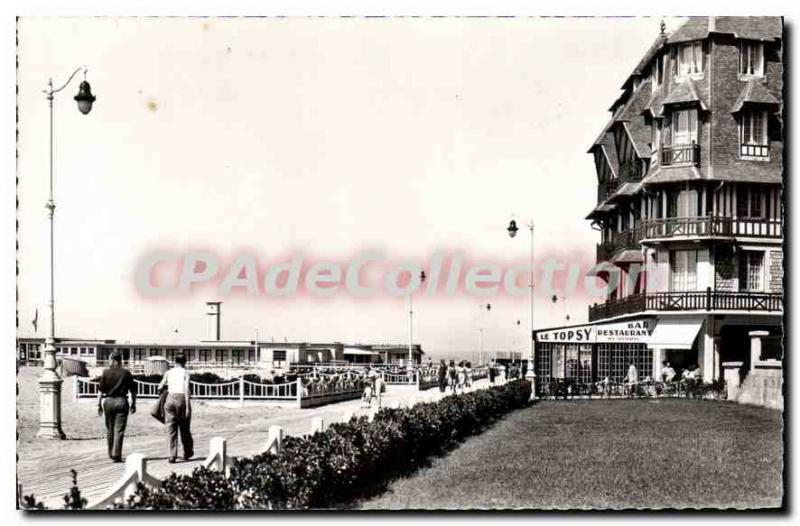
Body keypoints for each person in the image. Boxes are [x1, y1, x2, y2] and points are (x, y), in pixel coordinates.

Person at [97, 353, 136, 463]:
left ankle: (111, 453)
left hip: (108, 401)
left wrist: (98, 404)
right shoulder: (126, 373)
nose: (108, 361)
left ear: (113, 360)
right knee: (119, 430)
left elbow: (100, 390)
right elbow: (133, 391)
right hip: (121, 401)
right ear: (120, 361)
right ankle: (116, 454)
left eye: (109, 359)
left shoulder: (106, 372)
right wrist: (133, 404)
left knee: (110, 429)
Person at [158, 354, 194, 463]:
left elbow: (159, 387)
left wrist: (164, 394)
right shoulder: (186, 373)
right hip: (182, 399)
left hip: (170, 399)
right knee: (184, 428)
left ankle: (172, 455)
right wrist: (187, 407)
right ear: (185, 362)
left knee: (171, 429)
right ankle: (187, 452)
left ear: (175, 361)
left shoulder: (168, 372)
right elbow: (186, 390)